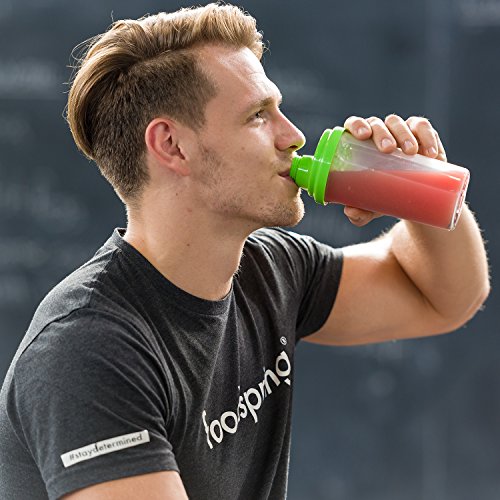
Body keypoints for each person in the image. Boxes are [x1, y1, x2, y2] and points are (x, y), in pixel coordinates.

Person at [0, 3, 490, 499]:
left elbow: (443, 297)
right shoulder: (88, 351)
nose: (293, 136)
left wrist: (415, 186)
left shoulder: (270, 270)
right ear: (172, 145)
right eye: (258, 116)